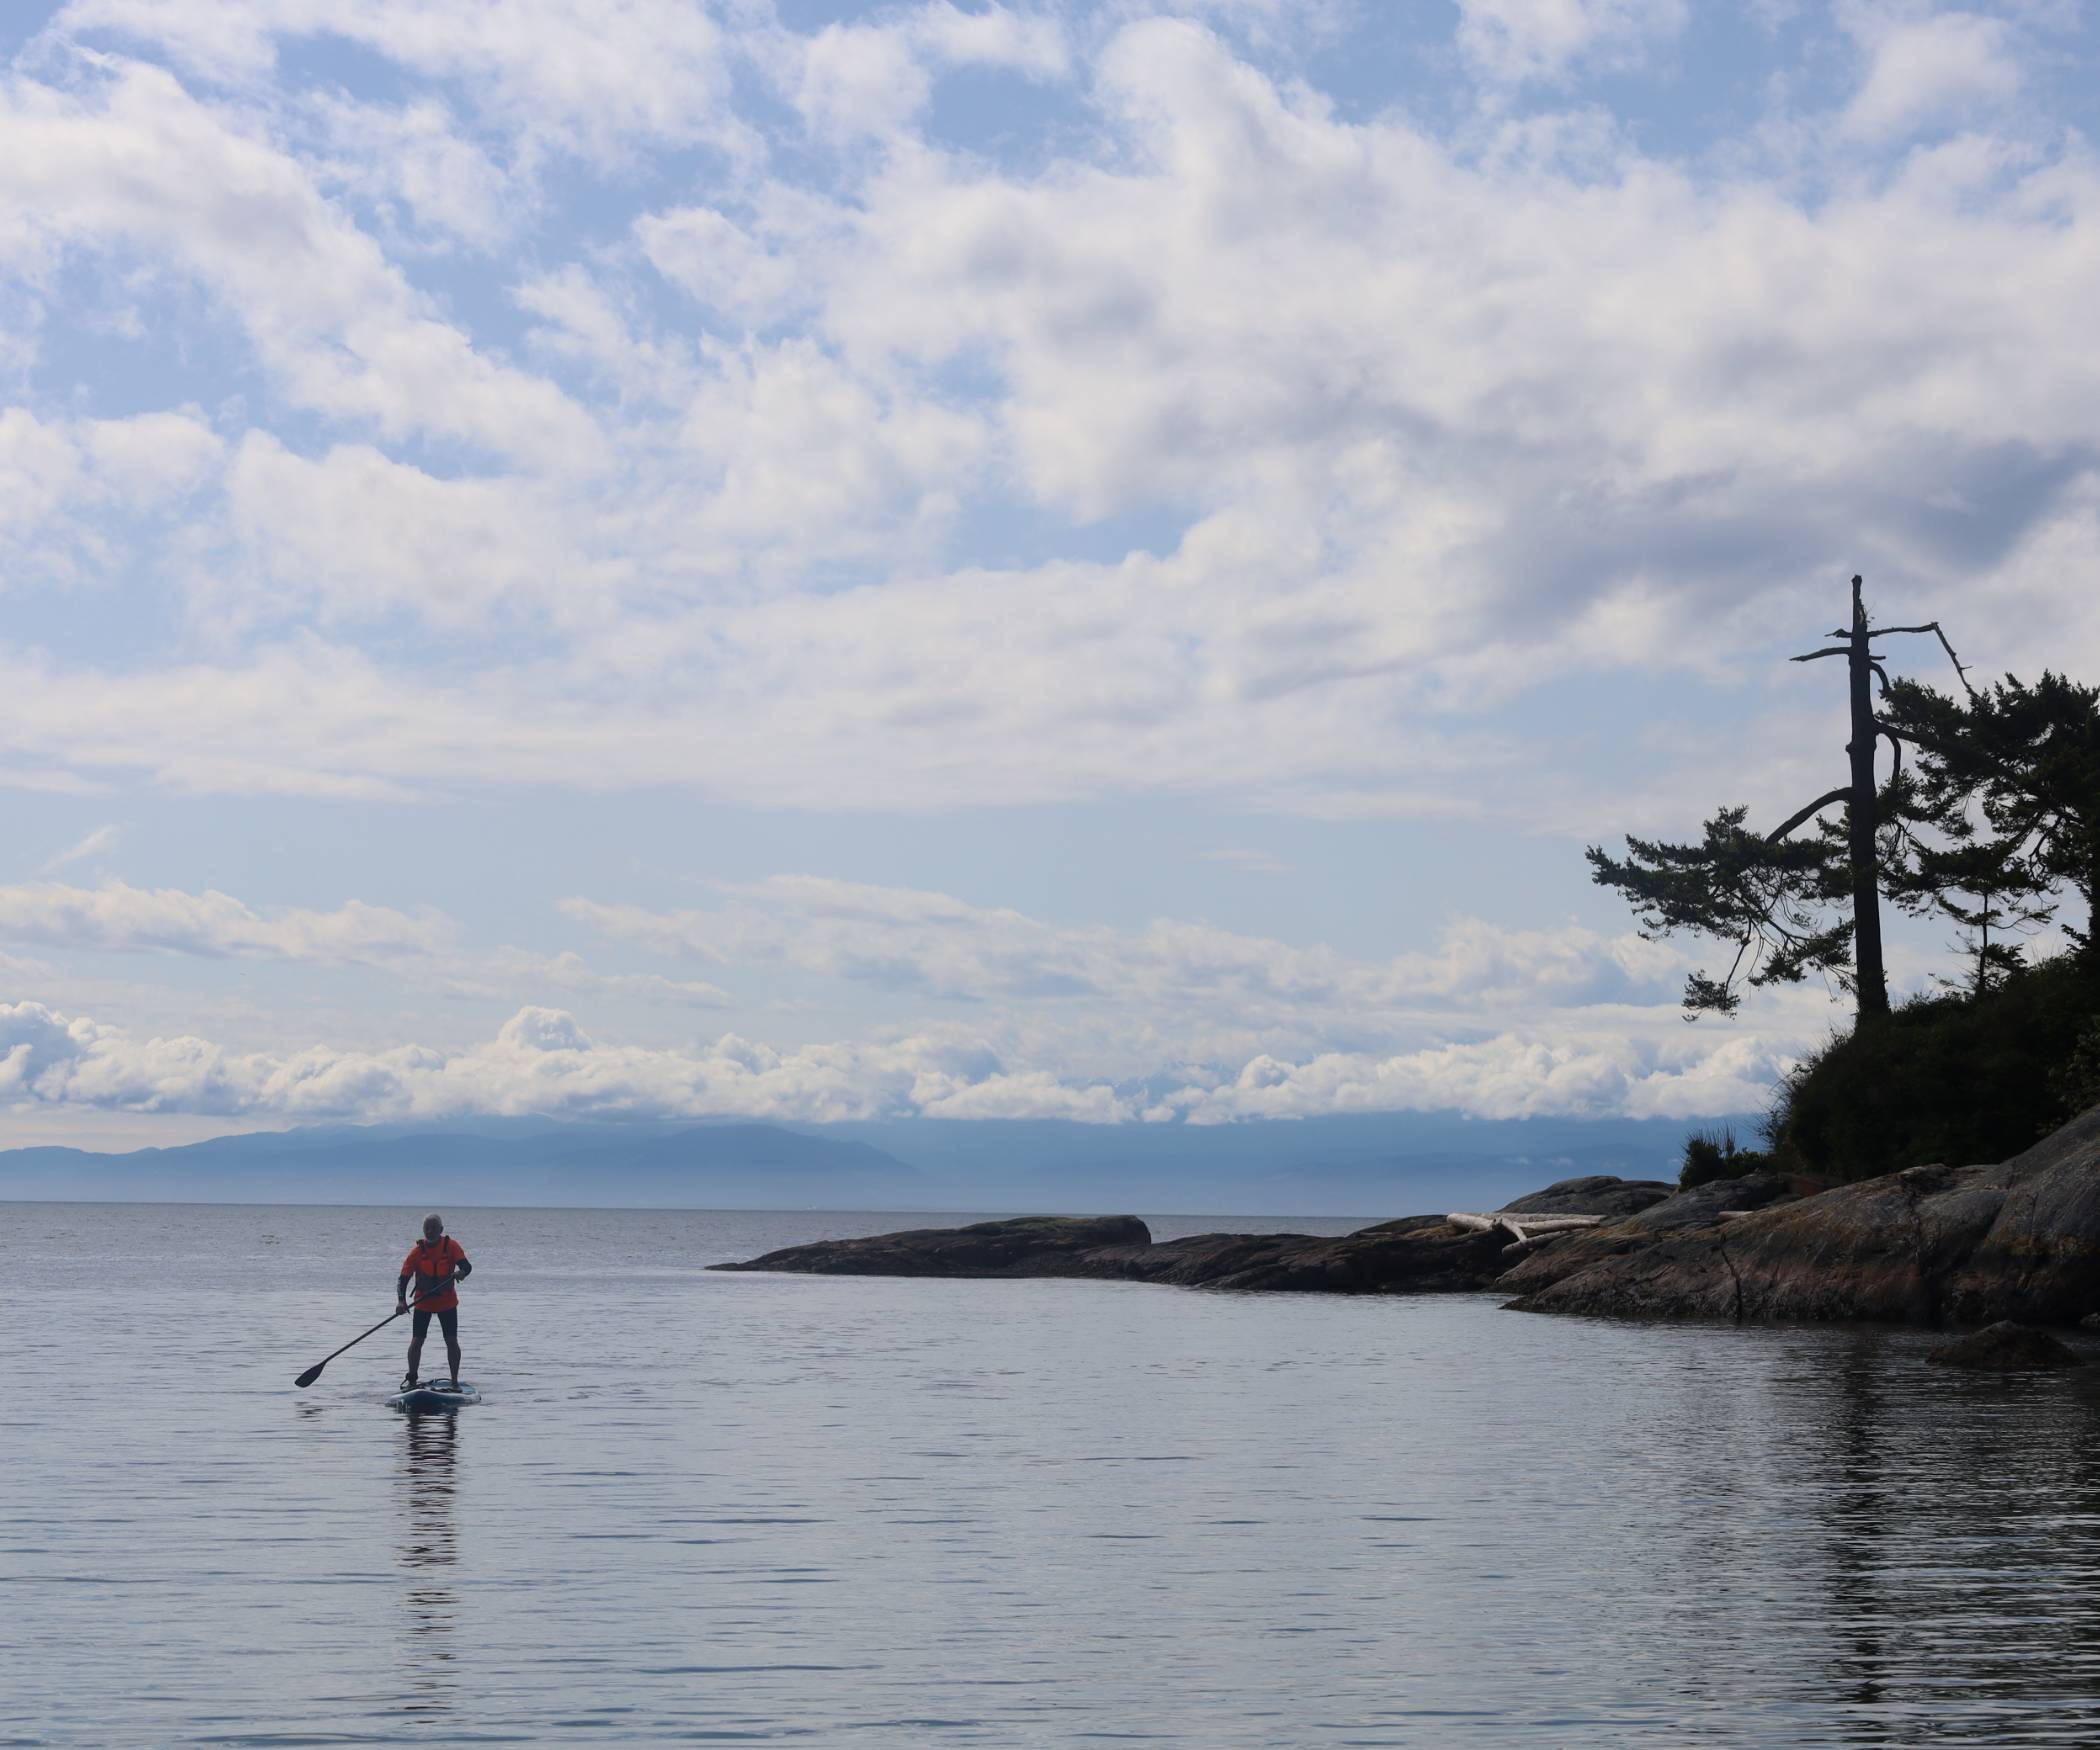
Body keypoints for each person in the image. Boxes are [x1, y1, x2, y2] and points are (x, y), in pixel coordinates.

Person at [398, 1214, 472, 1390]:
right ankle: (412, 1379)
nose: (430, 1232)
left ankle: (454, 1381)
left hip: (447, 1303)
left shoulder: (451, 1247)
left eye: (433, 1228)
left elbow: (467, 1266)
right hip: (423, 1304)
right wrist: (401, 1301)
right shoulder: (416, 1252)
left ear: (441, 1230)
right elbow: (403, 1279)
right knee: (417, 1341)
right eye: (427, 1229)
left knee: (451, 1341)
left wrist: (461, 1273)